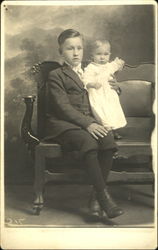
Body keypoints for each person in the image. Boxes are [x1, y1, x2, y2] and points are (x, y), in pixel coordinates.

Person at [45, 29, 124, 220]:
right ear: (60, 52)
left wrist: (116, 88)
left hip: (87, 122)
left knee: (107, 140)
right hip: (64, 124)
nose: (75, 53)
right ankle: (104, 199)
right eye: (70, 48)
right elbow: (63, 107)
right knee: (88, 142)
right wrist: (88, 124)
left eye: (79, 48)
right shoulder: (56, 75)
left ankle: (95, 198)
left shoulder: (92, 70)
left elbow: (106, 90)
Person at [83, 39, 127, 140]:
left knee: (113, 111)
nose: (102, 57)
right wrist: (91, 84)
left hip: (110, 94)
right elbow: (85, 79)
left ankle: (114, 129)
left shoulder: (109, 66)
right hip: (98, 94)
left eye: (106, 54)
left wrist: (119, 64)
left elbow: (117, 65)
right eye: (98, 54)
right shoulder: (91, 67)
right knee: (102, 112)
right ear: (92, 56)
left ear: (109, 55)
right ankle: (107, 131)